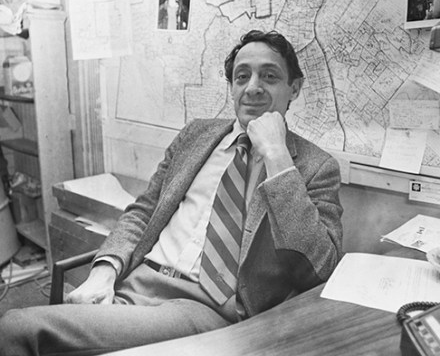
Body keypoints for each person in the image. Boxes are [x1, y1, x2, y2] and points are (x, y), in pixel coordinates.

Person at [0, 30, 344, 355]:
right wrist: (105, 269)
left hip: (205, 306)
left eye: (269, 76)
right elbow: (144, 211)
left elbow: (320, 266)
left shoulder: (315, 166)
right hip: (137, 281)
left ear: (294, 88)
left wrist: (277, 156)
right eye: (242, 76)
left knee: (17, 328)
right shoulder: (196, 135)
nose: (253, 87)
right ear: (232, 86)